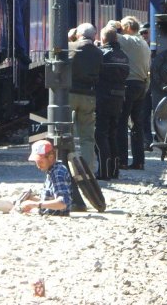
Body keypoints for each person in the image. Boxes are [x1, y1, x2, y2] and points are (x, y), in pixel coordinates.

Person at [116, 16, 152, 170]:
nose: (121, 31)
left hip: (129, 85)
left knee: (122, 122)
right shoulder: (144, 43)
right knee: (137, 124)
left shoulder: (129, 41)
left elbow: (108, 33)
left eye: (122, 28)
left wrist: (114, 24)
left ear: (128, 28)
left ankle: (122, 160)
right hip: (142, 86)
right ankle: (139, 161)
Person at [95, 26, 130, 179]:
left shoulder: (102, 54)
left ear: (103, 39)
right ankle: (115, 170)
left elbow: (95, 74)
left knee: (101, 135)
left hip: (103, 98)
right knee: (112, 134)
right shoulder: (123, 56)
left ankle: (103, 172)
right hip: (118, 98)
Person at [68, 23, 103, 169]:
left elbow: (51, 57)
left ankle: (69, 165)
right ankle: (88, 169)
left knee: (66, 134)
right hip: (88, 95)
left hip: (69, 95)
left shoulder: (70, 48)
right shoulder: (98, 53)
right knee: (87, 137)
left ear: (78, 34)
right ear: (94, 36)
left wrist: (69, 40)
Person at [19, 140, 72, 216]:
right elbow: (51, 199)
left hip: (56, 215)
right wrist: (32, 198)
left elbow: (63, 203)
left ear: (51, 157)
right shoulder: (52, 170)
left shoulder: (58, 173)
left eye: (40, 161)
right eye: (36, 162)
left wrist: (35, 204)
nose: (38, 166)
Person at [140, 22, 154, 150]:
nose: (144, 35)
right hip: (146, 85)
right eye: (142, 33)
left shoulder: (154, 47)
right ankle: (147, 140)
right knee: (144, 115)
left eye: (146, 32)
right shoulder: (139, 48)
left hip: (156, 84)